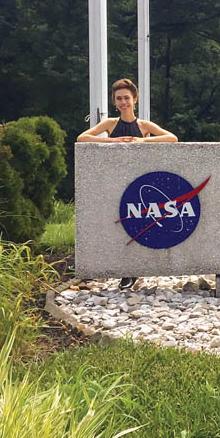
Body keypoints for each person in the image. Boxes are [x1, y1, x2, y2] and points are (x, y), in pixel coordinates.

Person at [77, 78, 177, 288]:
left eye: (127, 98)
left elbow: (172, 138)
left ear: (135, 100)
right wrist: (110, 141)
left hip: (139, 182)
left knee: (138, 225)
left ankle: (134, 270)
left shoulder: (143, 125)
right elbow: (82, 137)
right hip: (115, 180)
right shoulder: (110, 124)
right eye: (119, 98)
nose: (123, 102)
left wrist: (143, 140)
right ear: (115, 102)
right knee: (119, 226)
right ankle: (125, 270)